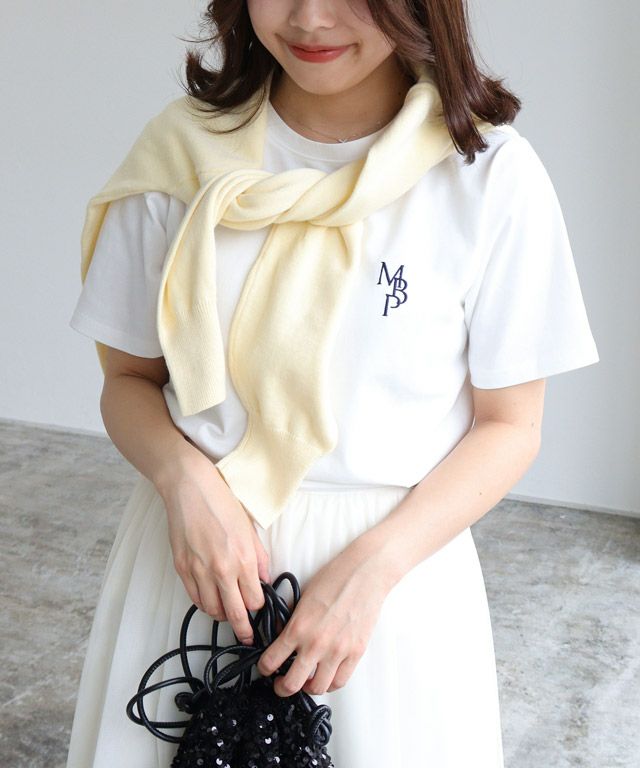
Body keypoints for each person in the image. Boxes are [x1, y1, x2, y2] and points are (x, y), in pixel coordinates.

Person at [65, 1, 600, 766]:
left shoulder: (486, 173)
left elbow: (510, 425)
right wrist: (186, 482)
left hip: (392, 590)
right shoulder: (181, 153)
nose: (311, 18)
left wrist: (373, 572)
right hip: (196, 568)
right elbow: (128, 382)